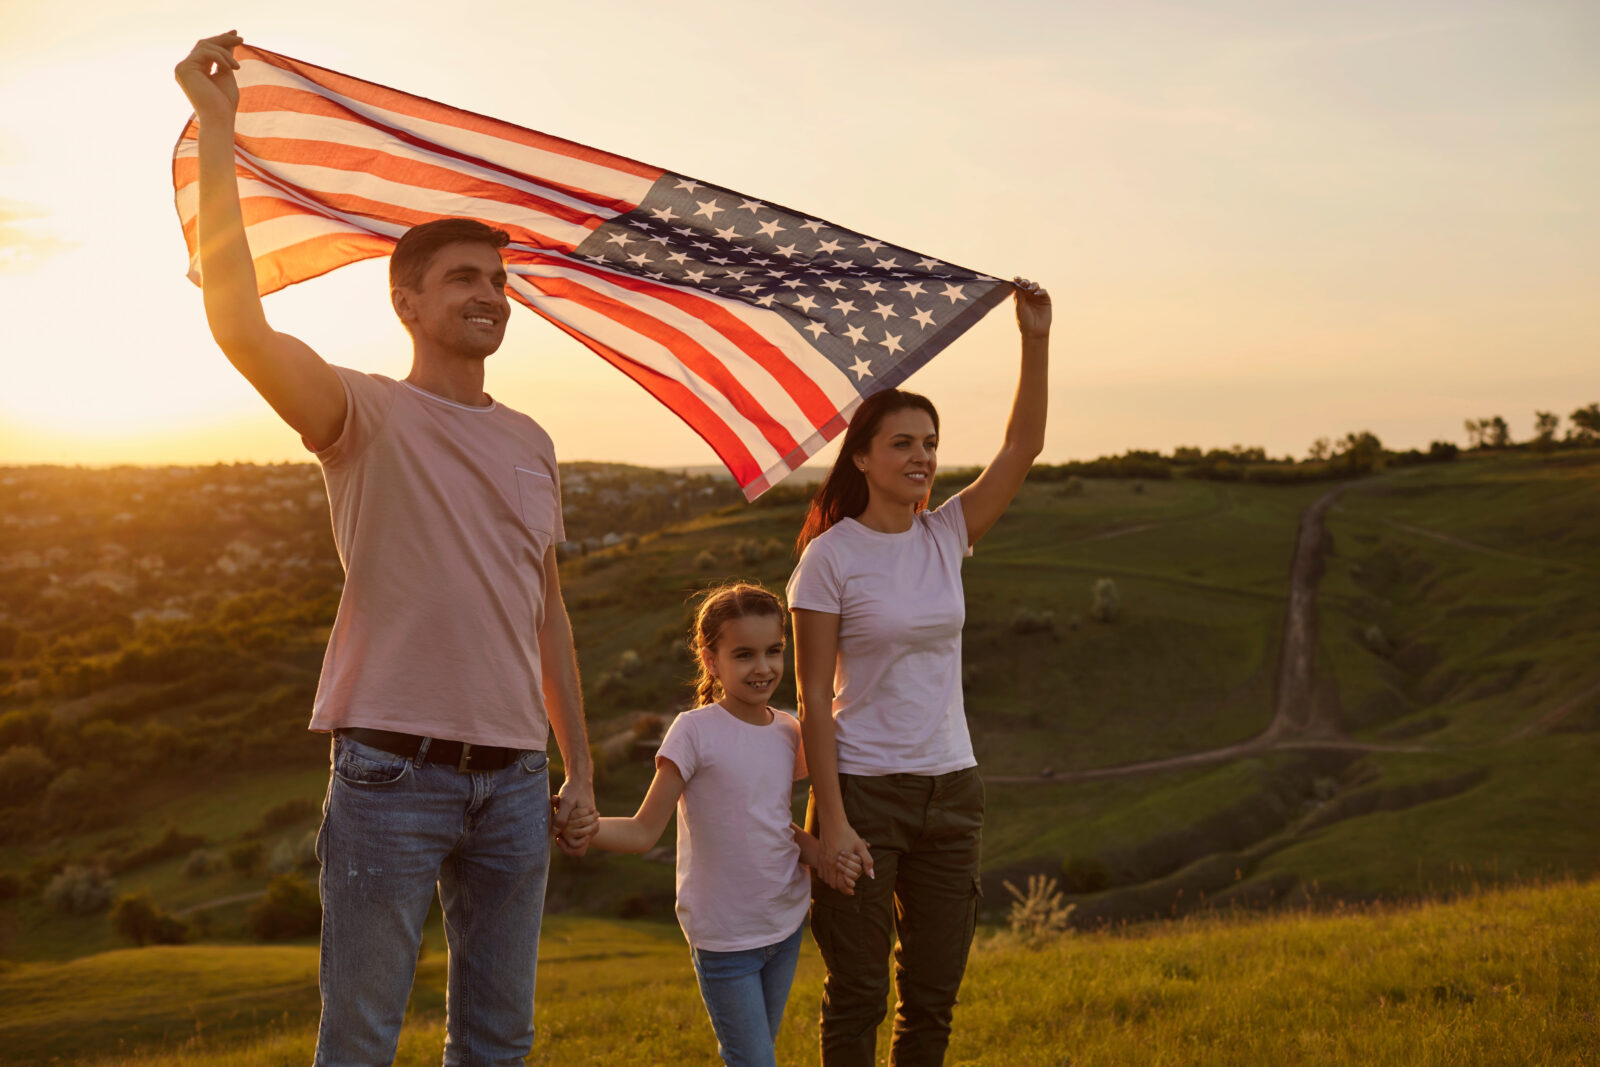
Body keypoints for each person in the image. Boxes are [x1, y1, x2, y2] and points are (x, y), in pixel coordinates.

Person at [174, 32, 598, 1066]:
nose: (488, 293)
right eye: (462, 278)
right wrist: (222, 130)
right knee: (360, 1037)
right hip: (388, 773)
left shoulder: (534, 440)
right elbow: (236, 323)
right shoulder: (361, 412)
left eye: (498, 278)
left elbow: (546, 610)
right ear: (406, 300)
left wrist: (578, 766)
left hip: (513, 782)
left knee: (498, 1038)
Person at [787, 278, 1052, 1065]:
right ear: (863, 457)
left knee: (931, 1000)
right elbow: (811, 699)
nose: (922, 456)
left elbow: (1022, 448)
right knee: (861, 993)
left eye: (930, 442)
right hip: (864, 792)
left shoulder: (946, 535)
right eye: (903, 442)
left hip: (952, 789)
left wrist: (1034, 339)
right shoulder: (828, 560)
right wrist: (831, 821)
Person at [588, 582, 862, 1067]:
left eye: (774, 651)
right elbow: (642, 831)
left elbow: (771, 821)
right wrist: (580, 827)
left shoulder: (788, 731)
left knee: (757, 1055)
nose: (763, 668)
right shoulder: (693, 732)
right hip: (725, 939)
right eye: (744, 654)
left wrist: (823, 855)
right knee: (754, 1060)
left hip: (784, 924)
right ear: (710, 659)